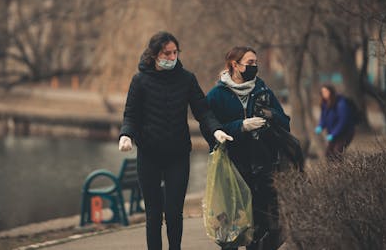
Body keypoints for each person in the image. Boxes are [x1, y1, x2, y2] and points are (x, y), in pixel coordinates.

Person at [118, 31, 228, 250]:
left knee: (174, 212)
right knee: (153, 214)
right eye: (166, 53)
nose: (171, 57)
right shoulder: (140, 80)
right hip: (149, 154)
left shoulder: (186, 79)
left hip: (177, 155)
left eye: (174, 52)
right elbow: (131, 114)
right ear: (154, 54)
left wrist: (216, 130)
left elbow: (203, 112)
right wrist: (126, 135)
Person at [202, 46, 290, 250]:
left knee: (263, 222)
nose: (254, 67)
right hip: (231, 166)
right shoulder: (216, 95)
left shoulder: (263, 91)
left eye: (255, 63)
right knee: (231, 222)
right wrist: (240, 126)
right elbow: (209, 130)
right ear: (235, 65)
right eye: (250, 63)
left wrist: (271, 115)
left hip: (262, 164)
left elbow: (285, 122)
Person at [314, 84, 356, 159]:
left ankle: (342, 170)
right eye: (322, 92)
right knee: (329, 154)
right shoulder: (325, 103)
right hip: (334, 134)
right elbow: (324, 118)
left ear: (331, 92)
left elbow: (343, 122)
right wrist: (320, 126)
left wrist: (333, 134)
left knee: (337, 152)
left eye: (326, 91)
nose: (324, 94)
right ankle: (331, 170)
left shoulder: (341, 104)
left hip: (345, 133)